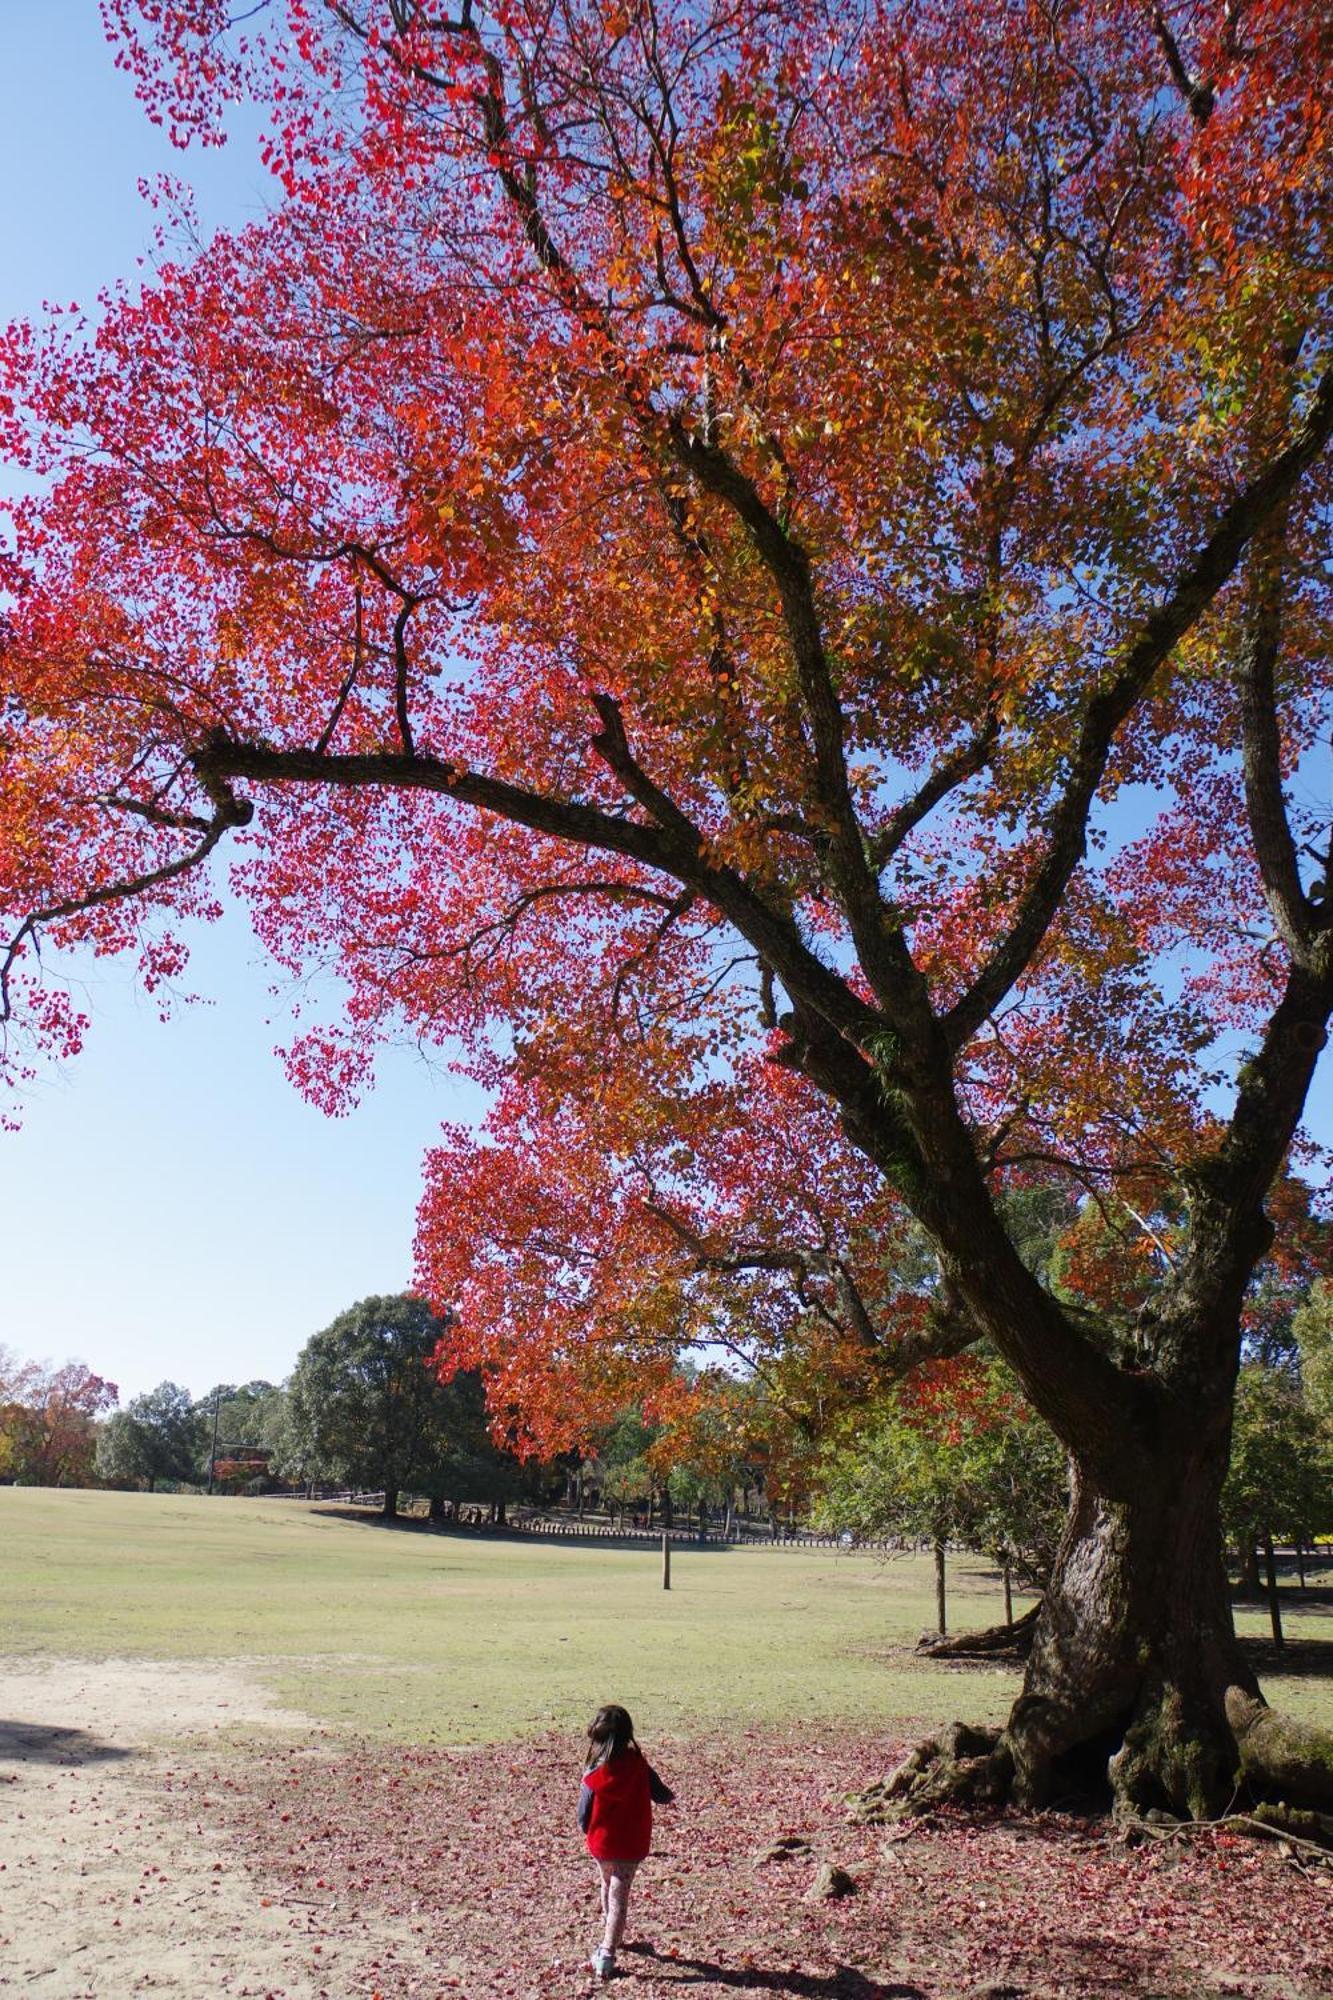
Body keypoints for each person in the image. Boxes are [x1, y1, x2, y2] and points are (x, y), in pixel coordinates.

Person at [577, 1703, 674, 1983]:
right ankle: (608, 1949)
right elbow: (659, 1792)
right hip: (631, 1843)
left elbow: (583, 1812)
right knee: (619, 1894)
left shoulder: (593, 1772)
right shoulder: (638, 1764)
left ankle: (611, 1937)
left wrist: (585, 1829)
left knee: (607, 1885)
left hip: (602, 1843)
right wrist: (669, 1797)